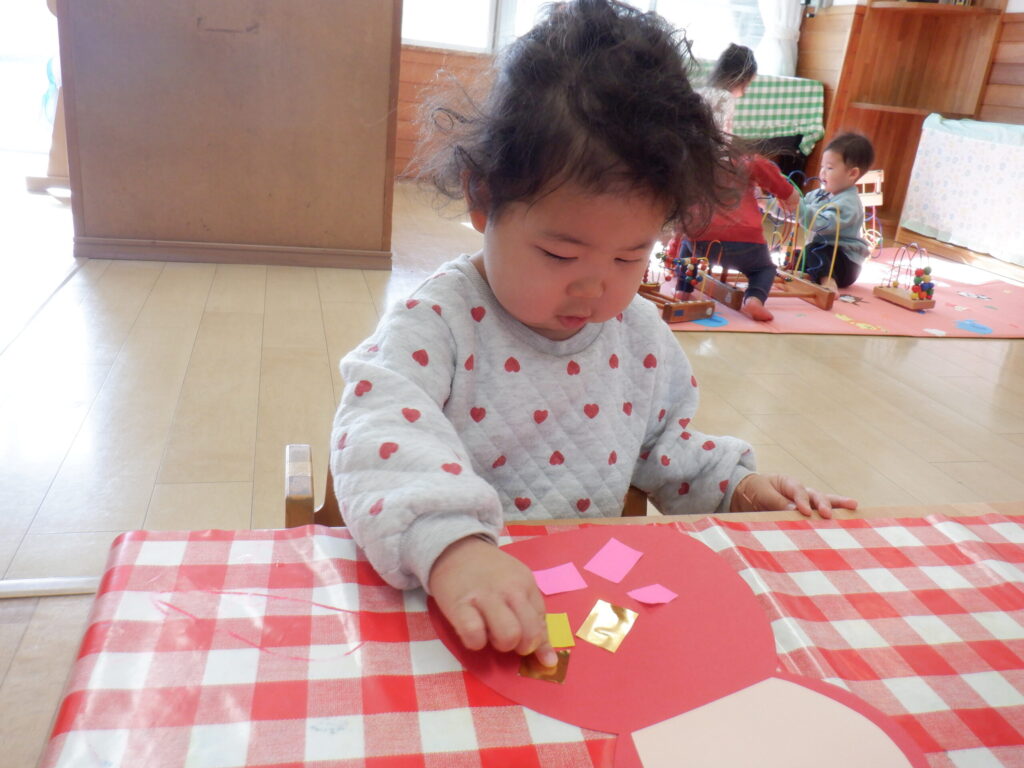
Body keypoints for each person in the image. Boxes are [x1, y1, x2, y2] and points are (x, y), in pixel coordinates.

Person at [330, 0, 857, 670]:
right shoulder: (438, 323)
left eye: (630, 256)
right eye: (560, 254)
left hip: (581, 618)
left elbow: (666, 447)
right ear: (483, 198)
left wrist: (740, 487)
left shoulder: (636, 335)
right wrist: (455, 548)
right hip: (447, 609)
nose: (595, 289)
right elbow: (377, 431)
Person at [671, 155, 799, 322]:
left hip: (701, 239)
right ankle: (754, 299)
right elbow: (763, 168)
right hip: (745, 241)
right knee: (764, 269)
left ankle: (683, 289)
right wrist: (788, 193)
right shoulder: (744, 162)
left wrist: (673, 255)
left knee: (686, 248)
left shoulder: (694, 165)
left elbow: (681, 223)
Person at [797, 132, 875, 292]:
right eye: (822, 167)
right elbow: (796, 209)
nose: (822, 172)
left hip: (845, 264)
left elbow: (822, 224)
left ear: (852, 173)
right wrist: (769, 202)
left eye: (830, 168)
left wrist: (796, 207)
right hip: (825, 256)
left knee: (814, 249)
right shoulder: (819, 195)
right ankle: (809, 275)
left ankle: (828, 282)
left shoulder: (849, 203)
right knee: (800, 255)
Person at [700, 43, 758, 134]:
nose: (743, 93)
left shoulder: (702, 92)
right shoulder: (726, 99)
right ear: (739, 79)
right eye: (746, 86)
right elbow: (723, 137)